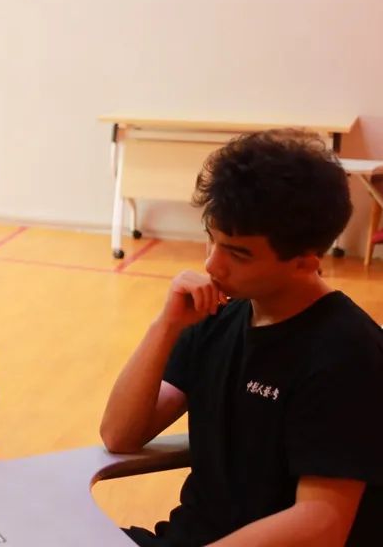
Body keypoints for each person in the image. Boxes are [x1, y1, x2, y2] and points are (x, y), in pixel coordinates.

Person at [101, 129, 383, 546]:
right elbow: (120, 435)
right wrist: (165, 326)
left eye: (237, 253)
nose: (211, 265)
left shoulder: (348, 354)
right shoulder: (215, 317)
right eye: (211, 239)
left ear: (305, 262)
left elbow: (322, 523)